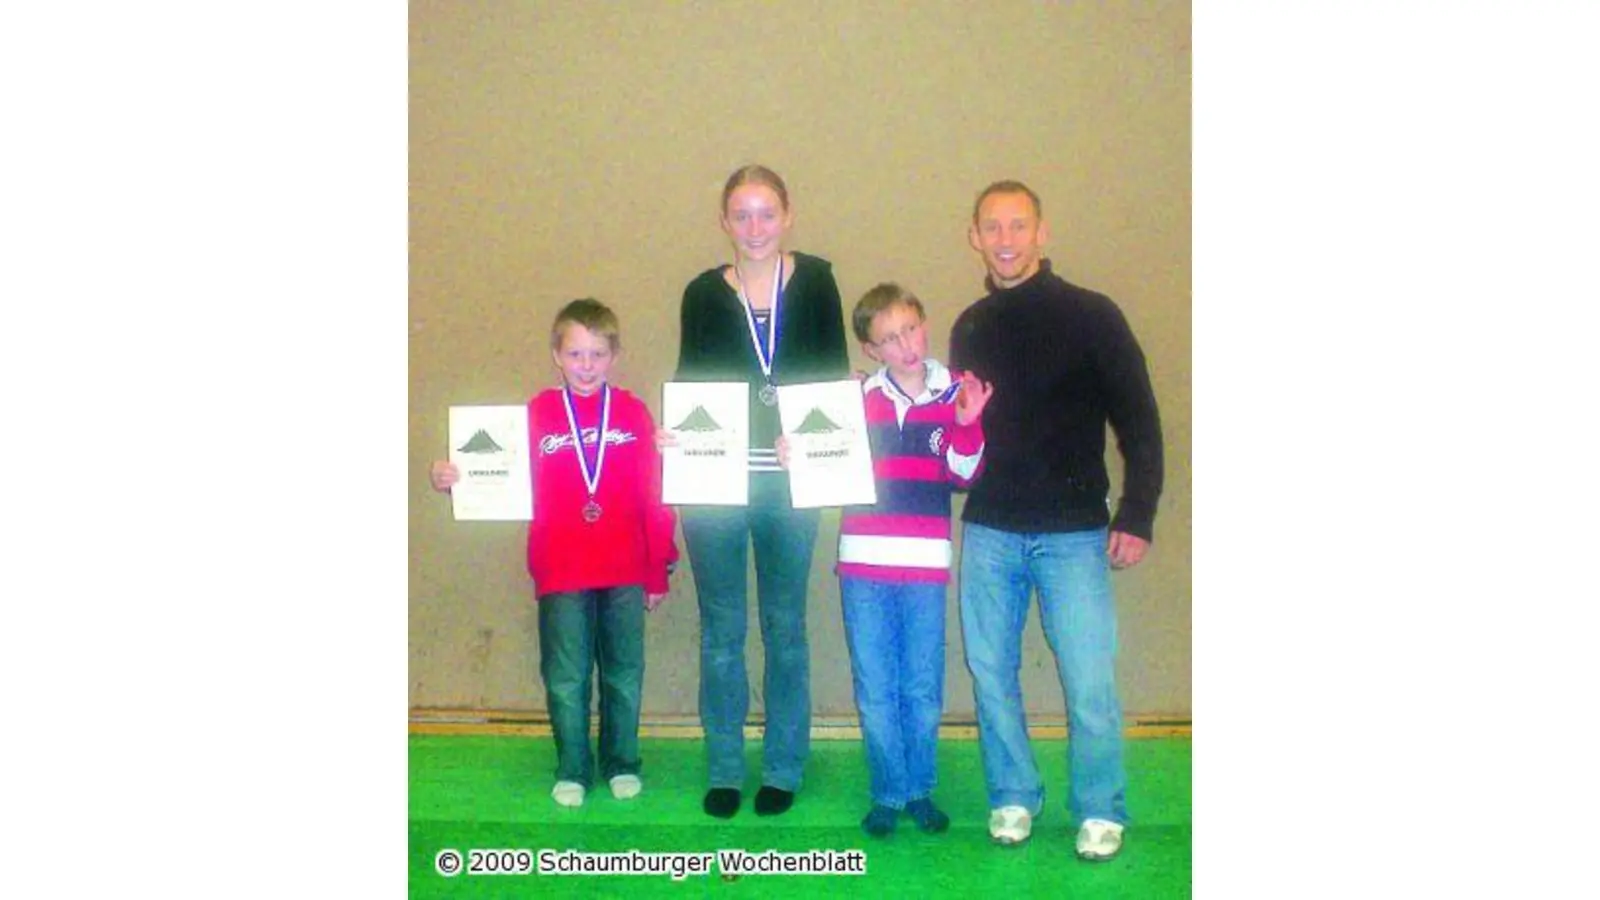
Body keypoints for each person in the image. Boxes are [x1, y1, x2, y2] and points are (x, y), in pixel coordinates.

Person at [948, 181, 1164, 861]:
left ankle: (1100, 807)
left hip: (1074, 533)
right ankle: (1013, 794)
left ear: (1042, 233)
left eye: (1019, 226)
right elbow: (962, 435)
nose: (1005, 240)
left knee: (1089, 679)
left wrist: (1138, 513)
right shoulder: (970, 327)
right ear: (975, 238)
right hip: (990, 529)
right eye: (992, 227)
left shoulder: (1093, 316)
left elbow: (1140, 421)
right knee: (991, 673)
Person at [430, 298, 677, 808]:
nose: (586, 366)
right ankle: (573, 768)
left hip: (627, 566)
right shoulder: (536, 415)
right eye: (575, 354)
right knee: (566, 677)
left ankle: (621, 761)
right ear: (556, 356)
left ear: (615, 357)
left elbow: (655, 491)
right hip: (561, 568)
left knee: (624, 673)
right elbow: (495, 475)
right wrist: (453, 478)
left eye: (597, 354)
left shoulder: (632, 414)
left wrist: (658, 567)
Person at [666, 164, 850, 818]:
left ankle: (782, 767)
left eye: (766, 213)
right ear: (724, 221)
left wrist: (822, 441)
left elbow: (833, 379)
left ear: (788, 216)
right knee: (721, 629)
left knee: (785, 627)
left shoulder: (818, 282)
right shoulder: (701, 294)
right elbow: (693, 385)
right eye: (741, 214)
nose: (754, 227)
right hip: (716, 488)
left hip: (790, 485)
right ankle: (724, 768)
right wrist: (674, 437)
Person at [781, 282, 990, 837]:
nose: (906, 345)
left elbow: (965, 475)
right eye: (890, 339)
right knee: (875, 689)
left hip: (924, 566)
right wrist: (797, 455)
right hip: (862, 567)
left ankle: (920, 789)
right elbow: (824, 474)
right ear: (872, 350)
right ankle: (888, 792)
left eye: (911, 330)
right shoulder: (854, 401)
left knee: (921, 686)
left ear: (925, 325)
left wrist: (968, 424)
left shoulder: (956, 393)